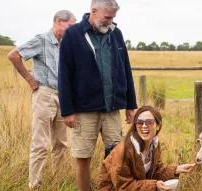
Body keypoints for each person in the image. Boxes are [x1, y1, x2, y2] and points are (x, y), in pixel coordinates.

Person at [58, 0, 137, 190]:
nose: (110, 21)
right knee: (83, 158)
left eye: (113, 18)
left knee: (117, 156)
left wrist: (130, 105)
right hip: (84, 111)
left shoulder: (116, 34)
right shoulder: (73, 34)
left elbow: (126, 69)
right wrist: (67, 110)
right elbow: (64, 74)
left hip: (112, 109)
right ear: (93, 11)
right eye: (107, 17)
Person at [7, 10, 76, 189]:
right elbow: (14, 55)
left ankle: (57, 182)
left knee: (61, 143)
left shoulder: (66, 45)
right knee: (40, 143)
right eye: (70, 26)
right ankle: (34, 185)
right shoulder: (42, 40)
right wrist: (30, 80)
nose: (72, 30)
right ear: (59, 22)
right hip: (44, 95)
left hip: (63, 97)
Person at [98, 106, 196, 191]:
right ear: (135, 126)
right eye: (140, 122)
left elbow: (156, 173)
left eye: (149, 122)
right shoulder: (124, 151)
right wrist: (154, 186)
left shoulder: (154, 145)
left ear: (158, 126)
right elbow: (124, 186)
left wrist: (176, 169)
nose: (144, 126)